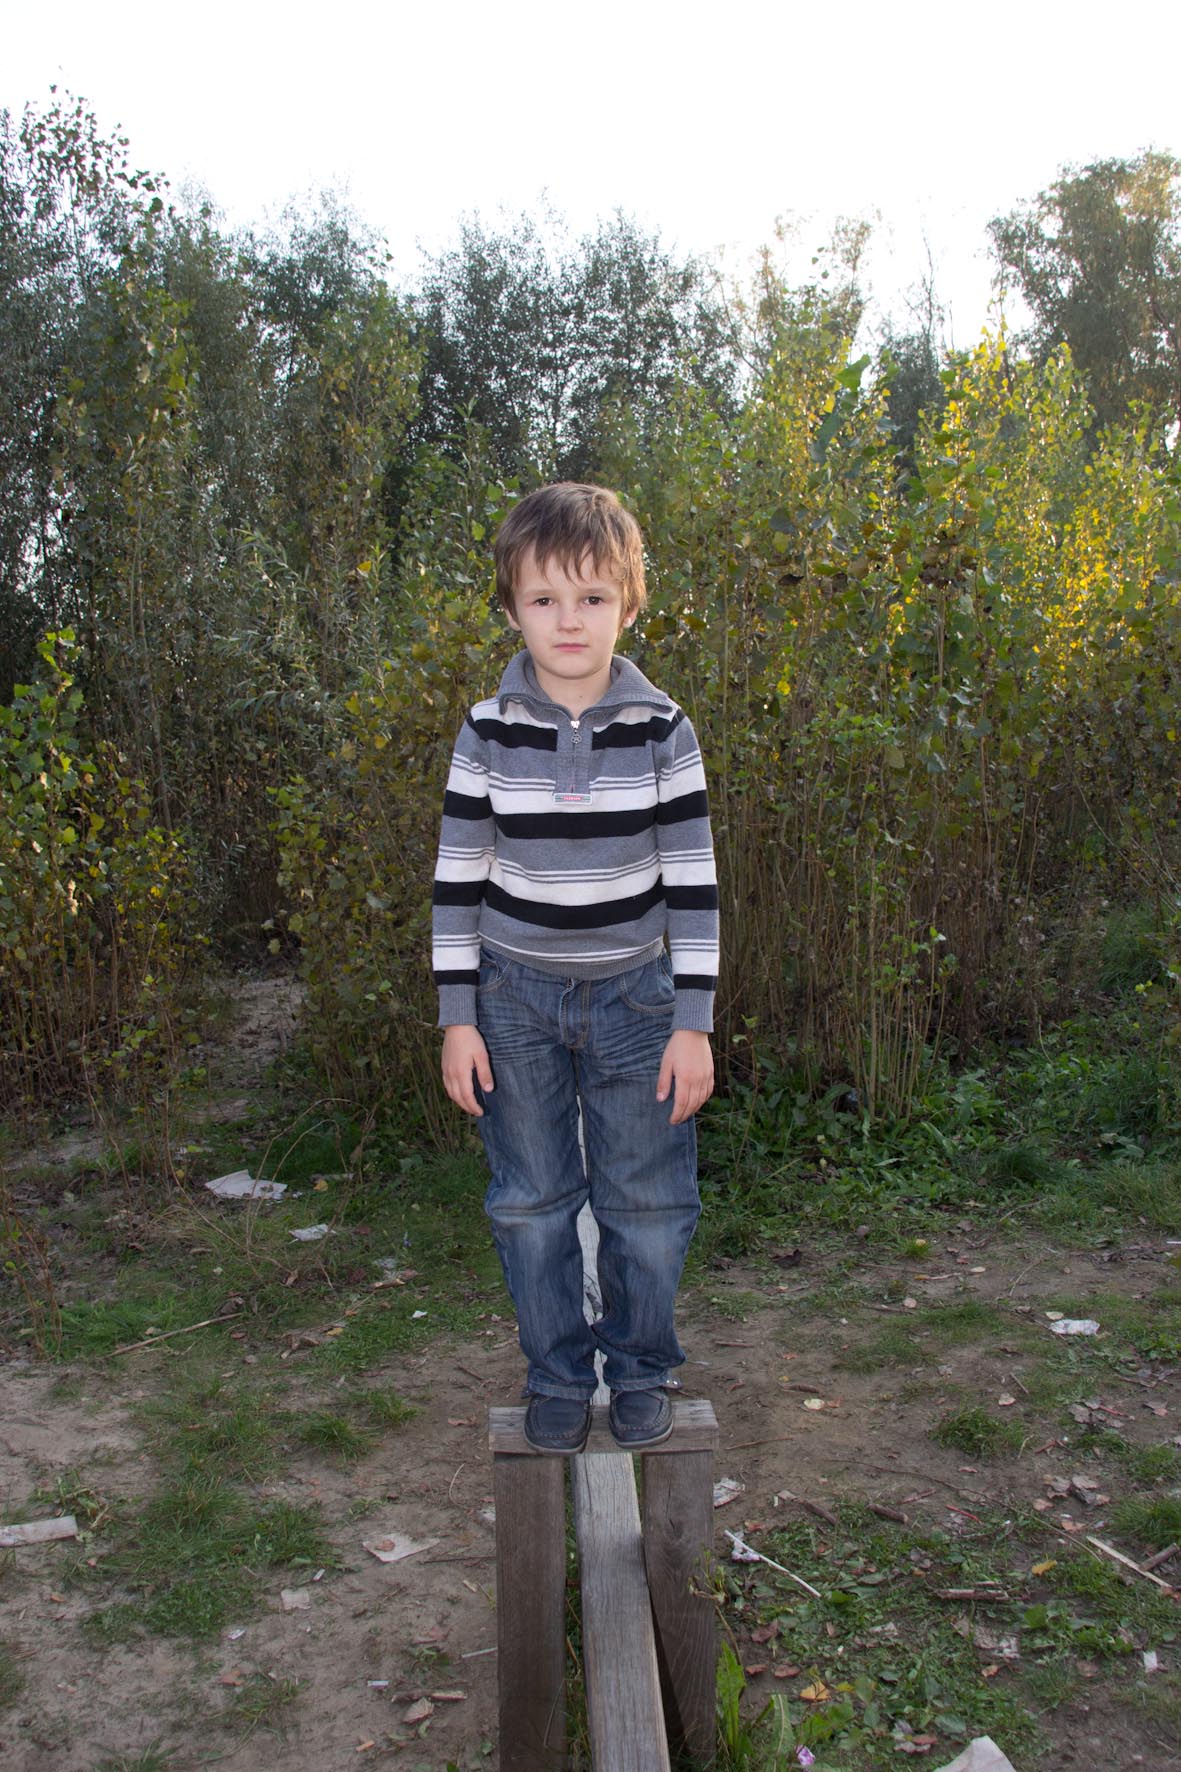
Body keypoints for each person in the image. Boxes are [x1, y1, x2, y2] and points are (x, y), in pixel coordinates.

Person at [432, 483, 719, 1453]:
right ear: (511, 608)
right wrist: (457, 1016)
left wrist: (692, 1022)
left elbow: (693, 884)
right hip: (510, 999)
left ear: (628, 605)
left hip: (637, 999)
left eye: (592, 597)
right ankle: (556, 1372)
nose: (568, 620)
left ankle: (638, 1366)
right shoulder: (485, 730)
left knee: (647, 1203)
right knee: (529, 1203)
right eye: (544, 598)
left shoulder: (663, 730)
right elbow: (457, 879)